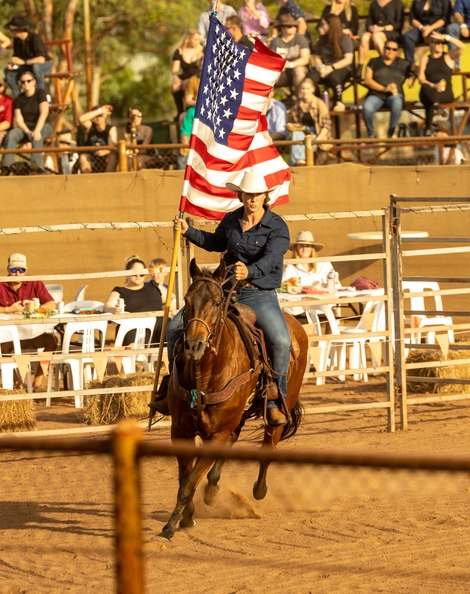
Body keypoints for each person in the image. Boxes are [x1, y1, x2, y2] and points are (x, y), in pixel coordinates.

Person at [157, 171, 292, 426]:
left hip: (259, 294)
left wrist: (249, 271)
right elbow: (215, 242)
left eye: (256, 195)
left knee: (281, 340)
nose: (252, 199)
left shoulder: (277, 226)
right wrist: (188, 231)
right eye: (248, 194)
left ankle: (275, 400)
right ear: (240, 196)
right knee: (175, 328)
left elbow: (273, 258)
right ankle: (172, 389)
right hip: (225, 290)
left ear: (265, 197)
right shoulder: (231, 220)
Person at [0, 253, 58, 352]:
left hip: (29, 334)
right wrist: (8, 309)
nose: (18, 274)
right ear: (8, 269)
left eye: (22, 270)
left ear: (26, 270)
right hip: (7, 336)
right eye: (14, 270)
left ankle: (41, 368)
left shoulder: (34, 282)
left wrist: (34, 310)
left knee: (51, 341)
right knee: (1, 346)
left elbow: (51, 304)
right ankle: (9, 367)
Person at [102, 256, 165, 343]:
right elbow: (107, 306)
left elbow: (171, 299)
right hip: (135, 330)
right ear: (127, 273)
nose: (138, 276)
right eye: (135, 273)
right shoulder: (120, 291)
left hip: (159, 329)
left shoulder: (153, 286)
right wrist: (114, 309)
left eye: (141, 273)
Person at [0, 69, 51, 175]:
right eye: (23, 82)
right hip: (26, 127)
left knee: (37, 136)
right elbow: (18, 119)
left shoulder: (40, 93)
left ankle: (36, 167)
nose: (26, 84)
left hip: (43, 125)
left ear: (34, 82)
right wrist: (27, 131)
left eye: (28, 81)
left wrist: (36, 130)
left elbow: (44, 113)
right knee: (12, 135)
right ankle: (6, 167)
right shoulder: (19, 99)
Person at [361, 39, 409, 138]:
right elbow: (367, 80)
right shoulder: (374, 62)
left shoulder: (403, 63)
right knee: (367, 107)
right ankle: (371, 134)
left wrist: (412, 76)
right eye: (388, 48)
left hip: (394, 95)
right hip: (376, 95)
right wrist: (384, 89)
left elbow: (418, 69)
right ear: (383, 49)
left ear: (397, 51)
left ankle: (390, 133)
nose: (390, 51)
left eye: (394, 49)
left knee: (397, 102)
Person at [418, 32, 464, 127]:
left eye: (441, 42)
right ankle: (436, 106)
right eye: (436, 42)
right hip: (430, 90)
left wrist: (446, 37)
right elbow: (421, 79)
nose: (439, 45)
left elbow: (462, 47)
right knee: (425, 88)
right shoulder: (425, 59)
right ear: (430, 44)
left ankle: (428, 127)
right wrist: (434, 86)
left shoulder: (448, 56)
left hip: (444, 93)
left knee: (429, 100)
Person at [309, 15, 354, 111]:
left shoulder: (344, 39)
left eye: (324, 24)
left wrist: (332, 67)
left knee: (333, 76)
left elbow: (348, 59)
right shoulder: (321, 40)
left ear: (331, 25)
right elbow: (317, 57)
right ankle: (316, 101)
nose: (321, 26)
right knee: (311, 77)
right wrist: (321, 67)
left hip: (341, 67)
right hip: (324, 67)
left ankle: (339, 101)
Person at [3, 15, 52, 97]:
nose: (11, 32)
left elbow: (41, 59)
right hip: (26, 66)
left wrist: (24, 62)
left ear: (19, 30)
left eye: (12, 30)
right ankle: (18, 98)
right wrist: (13, 63)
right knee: (8, 73)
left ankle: (41, 96)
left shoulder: (35, 38)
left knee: (36, 67)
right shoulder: (16, 40)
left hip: (43, 65)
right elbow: (17, 57)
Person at [287, 78, 332, 166]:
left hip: (318, 133)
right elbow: (296, 123)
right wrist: (291, 126)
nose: (305, 91)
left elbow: (326, 126)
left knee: (308, 141)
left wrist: (318, 140)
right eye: (303, 89)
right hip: (303, 132)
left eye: (307, 88)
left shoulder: (320, 104)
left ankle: (305, 162)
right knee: (296, 134)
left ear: (312, 89)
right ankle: (299, 161)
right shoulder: (297, 105)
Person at [401, 0, 452, 66]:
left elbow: (445, 19)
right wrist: (422, 28)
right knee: (408, 37)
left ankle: (438, 66)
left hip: (438, 28)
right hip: (421, 29)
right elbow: (412, 18)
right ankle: (411, 66)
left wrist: (430, 28)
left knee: (434, 38)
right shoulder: (416, 2)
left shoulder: (444, 1)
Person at [268, 14, 311, 90]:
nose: (293, 28)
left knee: (298, 70)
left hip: (298, 70)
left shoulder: (301, 39)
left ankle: (300, 99)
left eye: (295, 26)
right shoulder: (275, 41)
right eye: (290, 26)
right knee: (268, 76)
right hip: (281, 72)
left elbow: (305, 59)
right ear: (282, 28)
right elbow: (271, 60)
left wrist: (290, 64)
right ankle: (268, 100)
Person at [171, 29, 204, 119]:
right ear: (188, 39)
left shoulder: (201, 50)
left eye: (198, 39)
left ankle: (190, 104)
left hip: (198, 75)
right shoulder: (179, 51)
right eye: (195, 39)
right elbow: (175, 69)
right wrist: (175, 78)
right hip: (185, 75)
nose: (197, 41)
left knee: (188, 82)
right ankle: (180, 111)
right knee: (175, 86)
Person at [77, 104, 118, 174]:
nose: (98, 118)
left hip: (105, 158)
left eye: (100, 115)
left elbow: (113, 148)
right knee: (83, 157)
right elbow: (81, 119)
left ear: (105, 116)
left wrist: (105, 151)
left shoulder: (111, 129)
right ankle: (88, 182)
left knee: (112, 157)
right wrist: (100, 111)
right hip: (91, 158)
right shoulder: (90, 127)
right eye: (95, 116)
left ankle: (107, 181)